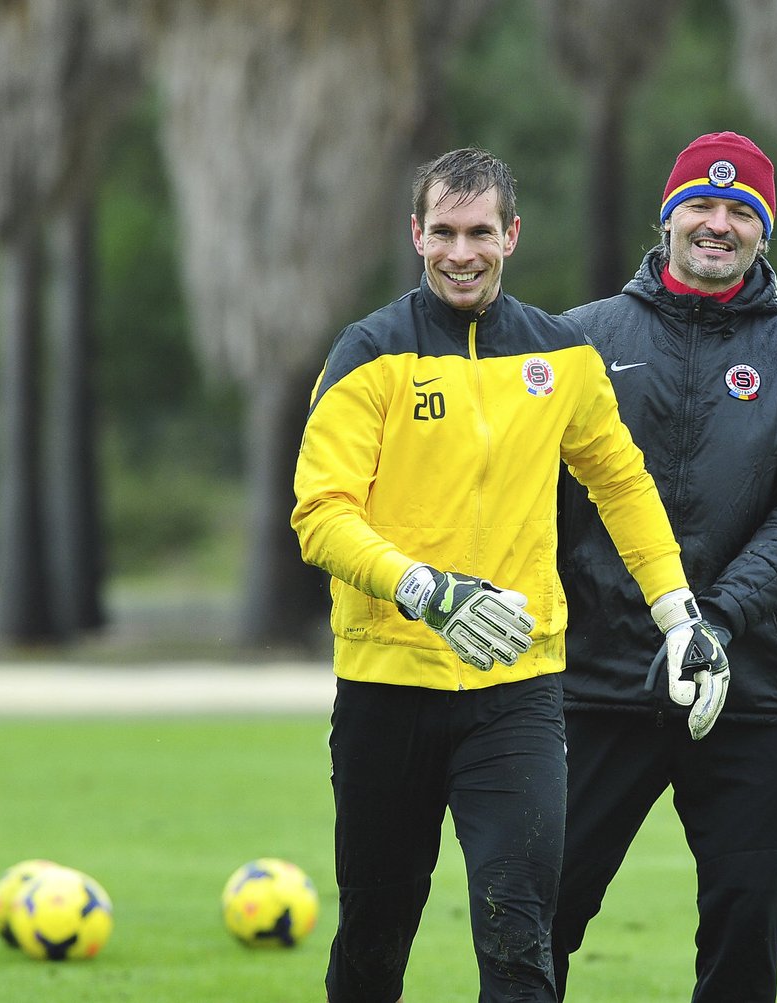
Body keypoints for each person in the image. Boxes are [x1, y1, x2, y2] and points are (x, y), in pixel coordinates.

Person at [291, 147, 728, 1003]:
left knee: (520, 935)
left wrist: (681, 616)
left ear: (512, 235)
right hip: (387, 687)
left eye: (481, 232)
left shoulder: (561, 354)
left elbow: (623, 483)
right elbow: (321, 512)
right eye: (444, 232)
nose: (463, 252)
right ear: (416, 235)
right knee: (377, 940)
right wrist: (426, 589)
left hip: (518, 690)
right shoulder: (369, 353)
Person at [551, 132, 777, 1001]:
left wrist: (715, 620)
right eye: (702, 205)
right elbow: (536, 503)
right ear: (668, 216)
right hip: (598, 679)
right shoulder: (581, 338)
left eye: (741, 211)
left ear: (764, 231)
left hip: (754, 685)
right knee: (539, 920)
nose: (718, 224)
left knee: (742, 938)